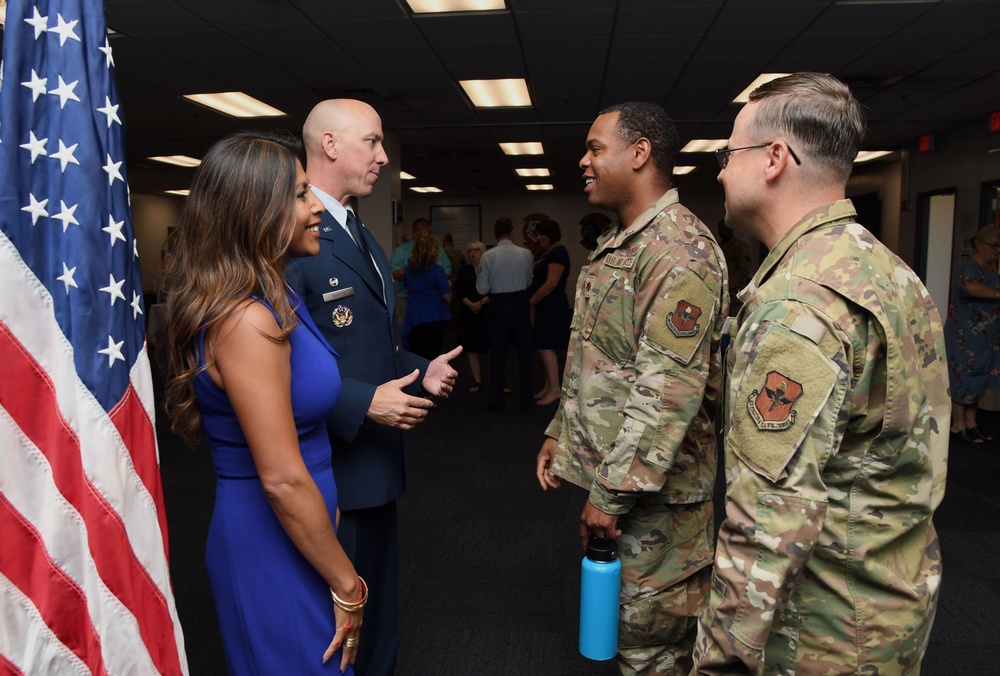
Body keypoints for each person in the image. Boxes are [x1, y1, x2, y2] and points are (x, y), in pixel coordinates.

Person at [694, 73, 949, 674]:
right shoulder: (888, 271)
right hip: (888, 606)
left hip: (820, 631)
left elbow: (767, 520)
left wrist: (717, 661)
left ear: (775, 158)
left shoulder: (797, 305)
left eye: (729, 155)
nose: (723, 172)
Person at [535, 102, 728, 674]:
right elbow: (603, 360)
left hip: (660, 499)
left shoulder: (678, 251)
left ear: (639, 153)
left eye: (596, 148)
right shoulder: (624, 243)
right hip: (625, 482)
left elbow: (667, 389)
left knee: (654, 650)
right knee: (625, 633)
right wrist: (559, 431)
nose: (584, 161)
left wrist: (611, 493)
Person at [162, 132, 364, 674]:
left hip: (304, 527)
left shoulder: (275, 293)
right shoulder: (246, 320)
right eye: (300, 194)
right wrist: (348, 581)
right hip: (268, 539)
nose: (315, 206)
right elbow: (279, 479)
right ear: (258, 210)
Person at [285, 99, 461, 676]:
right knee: (336, 625)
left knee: (378, 610)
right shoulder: (291, 231)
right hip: (331, 465)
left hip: (376, 461)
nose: (385, 157)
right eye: (373, 143)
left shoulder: (359, 230)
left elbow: (369, 341)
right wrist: (365, 402)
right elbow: (273, 364)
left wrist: (419, 364)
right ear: (330, 144)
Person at [945, 225, 1000, 443]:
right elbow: (967, 287)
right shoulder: (970, 267)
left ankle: (972, 422)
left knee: (978, 378)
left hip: (986, 337)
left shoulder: (992, 269)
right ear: (980, 244)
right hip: (965, 335)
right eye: (993, 246)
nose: (997, 251)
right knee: (963, 377)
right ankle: (958, 425)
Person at [477, 216, 534, 412]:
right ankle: (526, 400)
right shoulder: (526, 254)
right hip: (520, 303)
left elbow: (482, 289)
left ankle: (497, 401)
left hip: (498, 305)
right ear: (512, 232)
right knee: (525, 355)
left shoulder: (488, 256)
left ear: (495, 233)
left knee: (498, 355)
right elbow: (528, 283)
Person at [527, 219, 571, 406]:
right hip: (544, 306)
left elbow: (551, 283)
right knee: (542, 346)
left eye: (540, 235)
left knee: (547, 346)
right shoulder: (547, 252)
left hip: (553, 305)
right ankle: (548, 386)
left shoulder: (559, 252)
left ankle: (555, 389)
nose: (538, 238)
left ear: (550, 234)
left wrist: (531, 301)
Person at [402, 229, 452, 359]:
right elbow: (447, 296)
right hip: (435, 315)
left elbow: (407, 290)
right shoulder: (438, 270)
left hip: (414, 315)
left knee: (416, 354)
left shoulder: (408, 270)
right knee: (432, 355)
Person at [455, 241, 490, 392]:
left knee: (490, 347)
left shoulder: (489, 269)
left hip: (487, 312)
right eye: (470, 251)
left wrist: (481, 303)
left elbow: (494, 289)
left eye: (476, 250)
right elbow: (459, 291)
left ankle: (497, 380)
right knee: (472, 348)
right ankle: (478, 382)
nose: (473, 253)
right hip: (468, 314)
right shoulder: (464, 271)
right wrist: (471, 304)